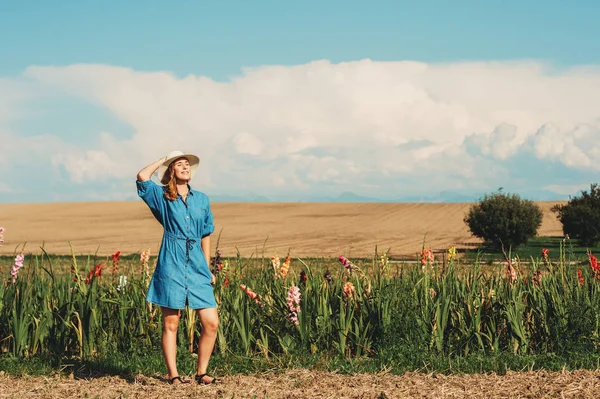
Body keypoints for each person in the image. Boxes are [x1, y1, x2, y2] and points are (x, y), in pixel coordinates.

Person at [136, 150, 221, 385]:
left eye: (187, 165)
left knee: (211, 322)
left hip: (196, 264)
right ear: (171, 171)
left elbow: (205, 233)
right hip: (171, 263)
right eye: (180, 164)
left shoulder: (202, 199)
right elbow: (142, 177)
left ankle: (201, 372)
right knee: (171, 323)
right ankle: (173, 375)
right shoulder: (162, 197)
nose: (185, 167)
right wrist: (164, 159)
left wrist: (207, 267)